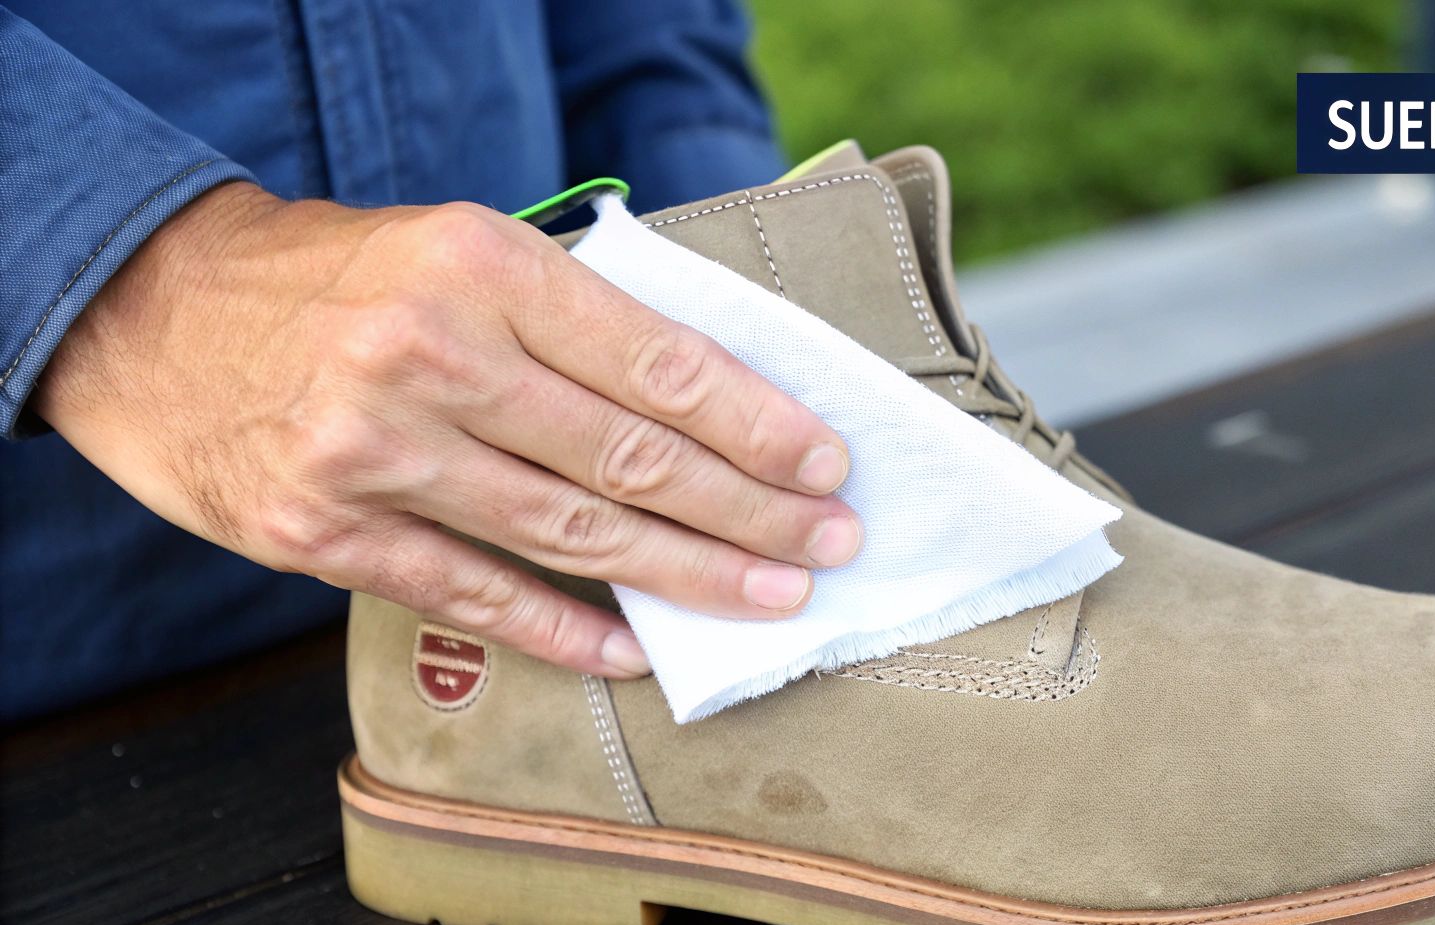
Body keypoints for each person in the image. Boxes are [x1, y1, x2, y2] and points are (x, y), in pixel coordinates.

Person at [0, 2, 864, 720]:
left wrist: (727, 278)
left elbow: (641, 38)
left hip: (568, 629)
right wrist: (133, 286)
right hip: (81, 683)